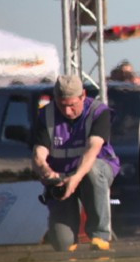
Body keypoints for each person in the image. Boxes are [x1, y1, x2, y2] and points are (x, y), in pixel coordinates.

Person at [31, 75, 120, 252]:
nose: (68, 111)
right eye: (62, 105)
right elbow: (38, 155)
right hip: (62, 175)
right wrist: (47, 172)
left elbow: (93, 149)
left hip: (94, 169)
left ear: (83, 95)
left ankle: (100, 235)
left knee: (92, 170)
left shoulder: (98, 112)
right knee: (62, 243)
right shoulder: (45, 115)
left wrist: (76, 178)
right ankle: (65, 235)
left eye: (72, 105)